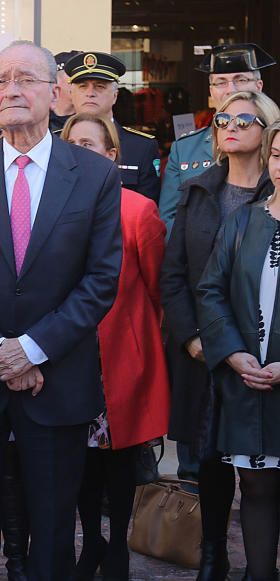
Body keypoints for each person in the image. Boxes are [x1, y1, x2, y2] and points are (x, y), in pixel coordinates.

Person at [0, 40, 122, 580]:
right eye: (1, 79)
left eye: (26, 78)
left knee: (54, 526)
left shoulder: (96, 175)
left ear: (56, 94)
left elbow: (101, 281)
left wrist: (33, 350)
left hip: (57, 379)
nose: (10, 89)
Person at [162, 90, 280, 581]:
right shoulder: (199, 191)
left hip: (264, 353)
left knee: (263, 472)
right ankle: (212, 555)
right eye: (223, 118)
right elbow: (176, 276)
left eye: (243, 119)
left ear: (268, 131)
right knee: (207, 459)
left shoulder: (269, 200)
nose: (229, 125)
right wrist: (197, 339)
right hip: (207, 352)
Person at [60, 113, 171, 580]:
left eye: (91, 144)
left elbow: (157, 288)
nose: (81, 150)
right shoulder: (53, 207)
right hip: (67, 354)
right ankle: (92, 542)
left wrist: (136, 340)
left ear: (111, 156)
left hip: (121, 358)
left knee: (121, 460)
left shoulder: (138, 209)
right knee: (80, 459)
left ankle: (119, 544)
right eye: (73, 143)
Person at [197, 118, 280, 581]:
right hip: (249, 381)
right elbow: (210, 291)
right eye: (278, 154)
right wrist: (231, 352)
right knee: (255, 486)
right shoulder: (244, 219)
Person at [160, 43, 275, 234]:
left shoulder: (275, 143)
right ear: (211, 91)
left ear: (259, 86)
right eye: (221, 82)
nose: (231, 89)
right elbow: (169, 218)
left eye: (241, 79)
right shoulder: (185, 149)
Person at [63, 51, 161, 202]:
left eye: (100, 86)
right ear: (71, 94)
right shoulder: (54, 142)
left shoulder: (142, 147)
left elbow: (146, 210)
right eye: (83, 86)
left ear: (115, 95)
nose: (90, 93)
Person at [49, 51, 80, 132]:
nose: (81, 83)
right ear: (56, 81)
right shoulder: (39, 121)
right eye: (74, 76)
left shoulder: (91, 122)